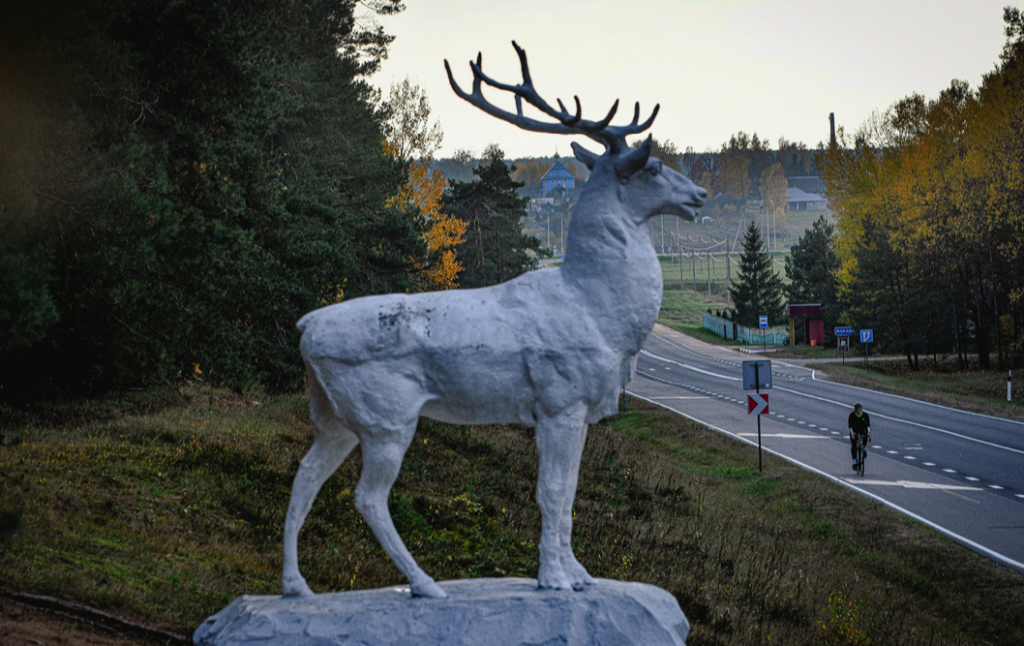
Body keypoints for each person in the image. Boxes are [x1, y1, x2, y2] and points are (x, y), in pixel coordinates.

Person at [848, 402, 871, 471]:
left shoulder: (865, 415)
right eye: (857, 410)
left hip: (862, 429)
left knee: (865, 436)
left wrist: (869, 433)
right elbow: (850, 426)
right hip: (854, 430)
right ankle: (854, 461)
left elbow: (868, 425)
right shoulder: (852, 415)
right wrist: (852, 433)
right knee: (854, 445)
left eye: (860, 410)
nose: (859, 411)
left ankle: (864, 448)